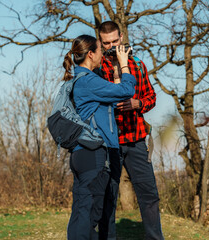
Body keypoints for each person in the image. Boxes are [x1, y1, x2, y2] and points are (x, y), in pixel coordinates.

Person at [63, 34, 136, 240]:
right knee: (90, 214)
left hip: (82, 153)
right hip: (93, 153)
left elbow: (111, 101)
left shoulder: (80, 80)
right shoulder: (88, 81)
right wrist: (124, 65)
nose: (103, 54)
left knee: (81, 213)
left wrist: (114, 68)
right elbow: (127, 90)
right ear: (91, 54)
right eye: (100, 51)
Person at [95, 21, 163, 240]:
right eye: (106, 43)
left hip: (136, 139)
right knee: (108, 197)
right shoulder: (97, 69)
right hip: (109, 141)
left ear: (122, 37)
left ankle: (154, 238)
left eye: (115, 41)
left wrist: (137, 104)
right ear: (100, 42)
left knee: (149, 195)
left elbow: (151, 97)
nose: (111, 46)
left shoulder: (138, 64)